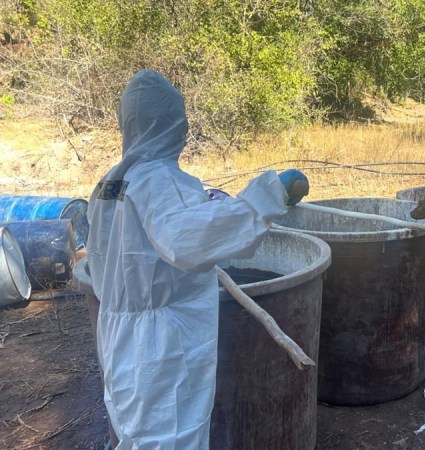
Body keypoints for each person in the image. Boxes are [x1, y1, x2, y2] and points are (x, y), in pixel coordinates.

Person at [87, 70, 308, 449]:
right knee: (171, 435)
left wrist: (205, 205)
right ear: (170, 123)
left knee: (135, 431)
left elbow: (128, 249)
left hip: (119, 330)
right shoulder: (160, 178)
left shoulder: (109, 184)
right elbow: (189, 240)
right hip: (164, 341)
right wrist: (269, 198)